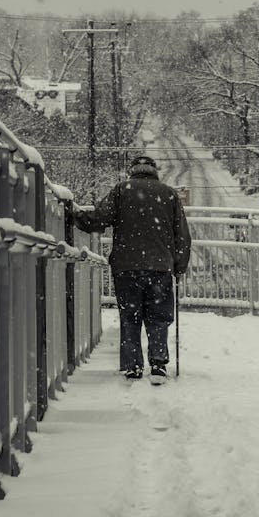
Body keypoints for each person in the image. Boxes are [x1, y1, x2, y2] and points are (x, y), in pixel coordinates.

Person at [74, 155, 191, 384]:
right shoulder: (169, 194)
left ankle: (132, 366)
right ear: (154, 171)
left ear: (133, 171)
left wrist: (76, 216)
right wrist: (179, 265)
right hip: (160, 266)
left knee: (130, 316)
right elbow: (182, 235)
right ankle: (158, 365)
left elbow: (99, 219)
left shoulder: (122, 190)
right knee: (158, 317)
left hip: (127, 267)